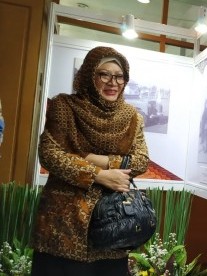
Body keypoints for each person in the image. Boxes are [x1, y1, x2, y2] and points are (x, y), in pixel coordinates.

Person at [31, 46, 149, 276]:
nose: (113, 82)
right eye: (104, 74)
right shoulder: (65, 107)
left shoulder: (132, 117)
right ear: (88, 75)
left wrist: (90, 158)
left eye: (119, 76)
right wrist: (99, 175)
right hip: (64, 225)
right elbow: (50, 152)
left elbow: (141, 160)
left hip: (113, 226)